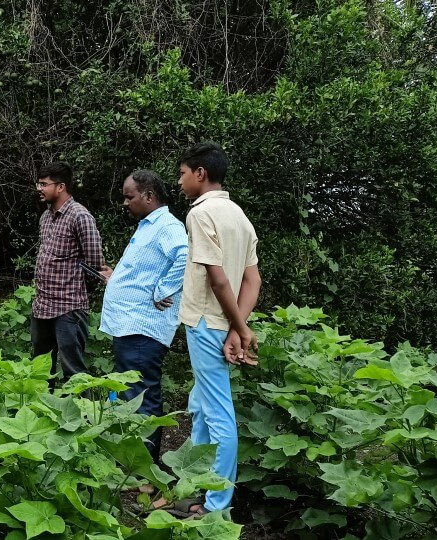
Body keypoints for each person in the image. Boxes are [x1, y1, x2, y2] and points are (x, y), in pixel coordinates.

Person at [165, 141, 261, 518]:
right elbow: (252, 281)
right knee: (202, 407)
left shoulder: (200, 213)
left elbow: (219, 281)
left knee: (218, 413)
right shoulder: (239, 216)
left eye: (182, 173)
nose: (179, 181)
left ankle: (217, 505)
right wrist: (238, 328)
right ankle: (197, 492)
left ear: (200, 174)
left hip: (206, 322)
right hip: (222, 323)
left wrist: (239, 328)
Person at [98, 170, 188, 461]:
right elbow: (145, 271)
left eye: (129, 196)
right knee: (125, 391)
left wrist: (164, 290)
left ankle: (144, 472)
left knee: (142, 397)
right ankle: (125, 459)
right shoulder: (147, 226)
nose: (125, 203)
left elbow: (185, 255)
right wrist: (118, 278)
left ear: (148, 196)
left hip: (143, 330)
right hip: (129, 327)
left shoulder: (166, 225)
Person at [31, 161, 104, 380]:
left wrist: (76, 291)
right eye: (39, 183)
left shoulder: (80, 216)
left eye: (44, 184)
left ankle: (81, 412)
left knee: (74, 372)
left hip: (68, 307)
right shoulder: (46, 217)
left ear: (60, 187)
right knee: (41, 370)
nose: (39, 189)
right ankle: (42, 412)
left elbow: (95, 267)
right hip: (42, 305)